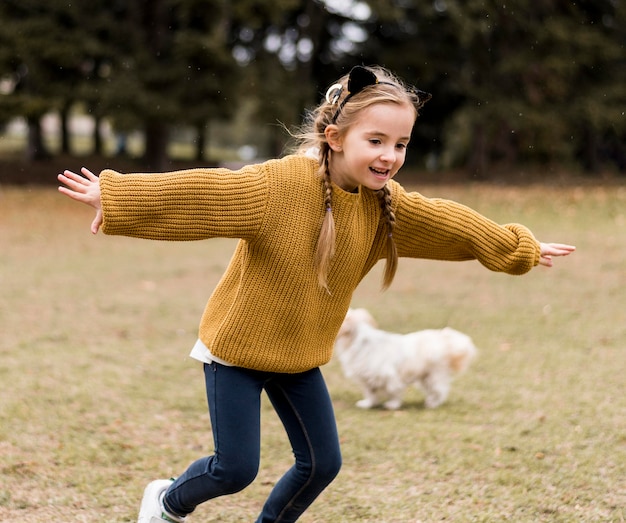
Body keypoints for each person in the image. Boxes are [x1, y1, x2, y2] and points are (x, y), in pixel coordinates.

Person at [57, 65, 575, 523]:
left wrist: (517, 246)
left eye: (400, 145)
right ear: (334, 137)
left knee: (322, 464)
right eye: (376, 141)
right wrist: (120, 195)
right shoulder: (280, 186)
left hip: (300, 353)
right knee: (236, 469)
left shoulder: (384, 207)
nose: (390, 156)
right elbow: (209, 192)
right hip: (235, 351)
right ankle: (166, 503)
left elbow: (453, 225)